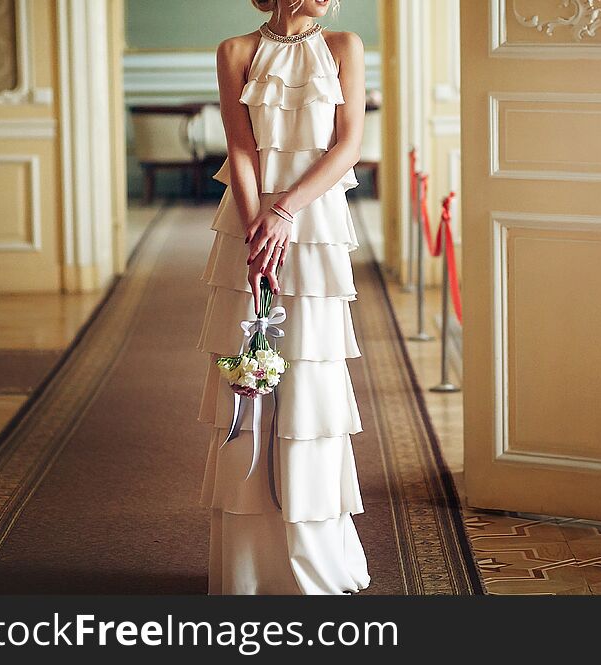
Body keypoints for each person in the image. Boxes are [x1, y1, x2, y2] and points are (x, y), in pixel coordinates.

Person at [196, 0, 370, 594]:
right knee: (252, 382)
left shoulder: (345, 47)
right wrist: (257, 233)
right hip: (251, 231)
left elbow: (346, 147)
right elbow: (240, 150)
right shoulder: (235, 52)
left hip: (314, 228)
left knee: (311, 387)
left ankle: (315, 559)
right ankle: (253, 567)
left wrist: (285, 212)